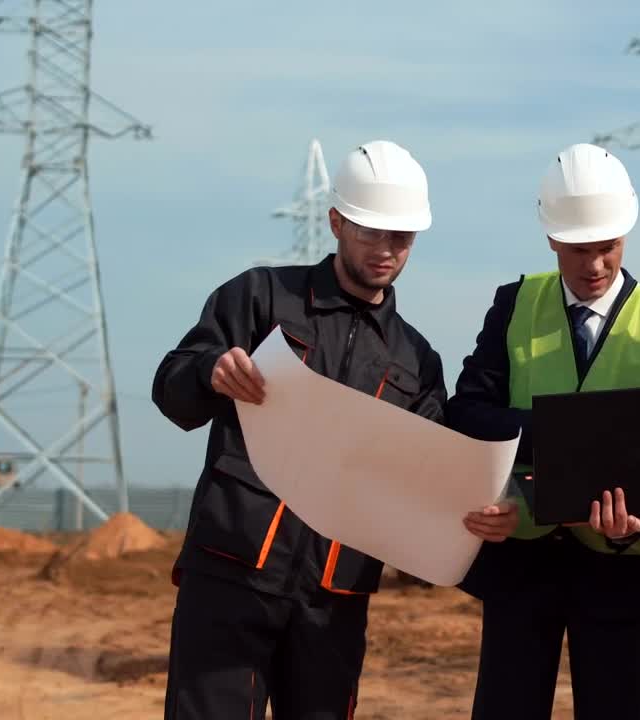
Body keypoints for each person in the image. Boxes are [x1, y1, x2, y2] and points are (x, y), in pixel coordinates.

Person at [152, 141, 447, 719]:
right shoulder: (261, 297)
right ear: (336, 220)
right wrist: (210, 372)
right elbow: (170, 387)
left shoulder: (416, 360)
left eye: (403, 238)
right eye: (371, 232)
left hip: (333, 599)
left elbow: (429, 476)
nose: (387, 250)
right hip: (233, 570)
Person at [446, 143, 640, 720]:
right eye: (579, 250)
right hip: (521, 563)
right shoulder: (514, 305)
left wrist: (634, 522)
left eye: (607, 248)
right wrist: (560, 439)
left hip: (620, 566)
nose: (595, 267)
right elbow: (468, 412)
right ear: (552, 239)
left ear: (626, 236)